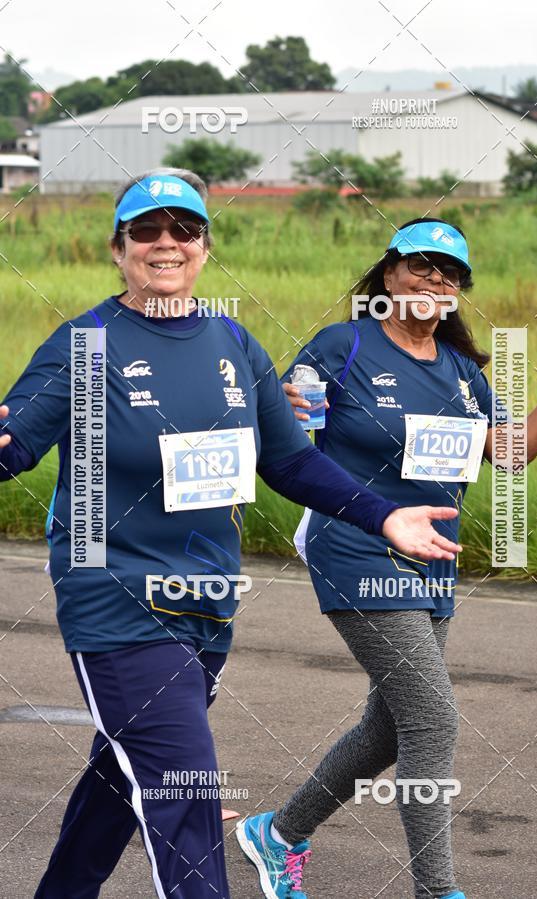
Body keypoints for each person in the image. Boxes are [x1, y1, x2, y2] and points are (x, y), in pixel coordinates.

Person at [0, 176, 464, 899]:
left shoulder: (232, 341)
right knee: (185, 785)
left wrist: (382, 514)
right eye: (145, 230)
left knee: (119, 777)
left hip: (208, 602)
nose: (165, 243)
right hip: (115, 595)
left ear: (204, 247)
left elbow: (289, 460)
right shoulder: (87, 346)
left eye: (182, 229)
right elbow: (14, 443)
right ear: (117, 249)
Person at [236, 217, 537, 899]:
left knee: (387, 727)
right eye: (420, 266)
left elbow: (511, 452)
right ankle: (437, 889)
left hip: (433, 557)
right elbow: (294, 440)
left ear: (459, 289)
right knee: (433, 718)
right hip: (354, 546)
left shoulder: (461, 370)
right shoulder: (344, 344)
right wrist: (288, 407)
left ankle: (277, 833)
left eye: (449, 272)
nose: (434, 280)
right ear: (389, 274)